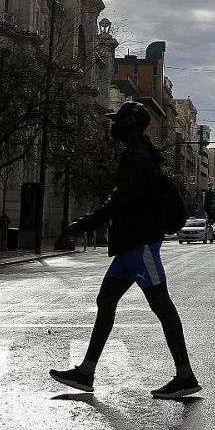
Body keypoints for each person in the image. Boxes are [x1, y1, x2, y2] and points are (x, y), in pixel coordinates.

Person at [51, 101, 200, 400]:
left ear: (129, 125)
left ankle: (185, 376)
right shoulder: (138, 154)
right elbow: (121, 199)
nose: (112, 125)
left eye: (117, 121)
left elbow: (120, 201)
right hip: (129, 247)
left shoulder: (137, 157)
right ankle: (87, 371)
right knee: (106, 300)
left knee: (163, 307)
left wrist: (85, 224)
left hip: (139, 246)